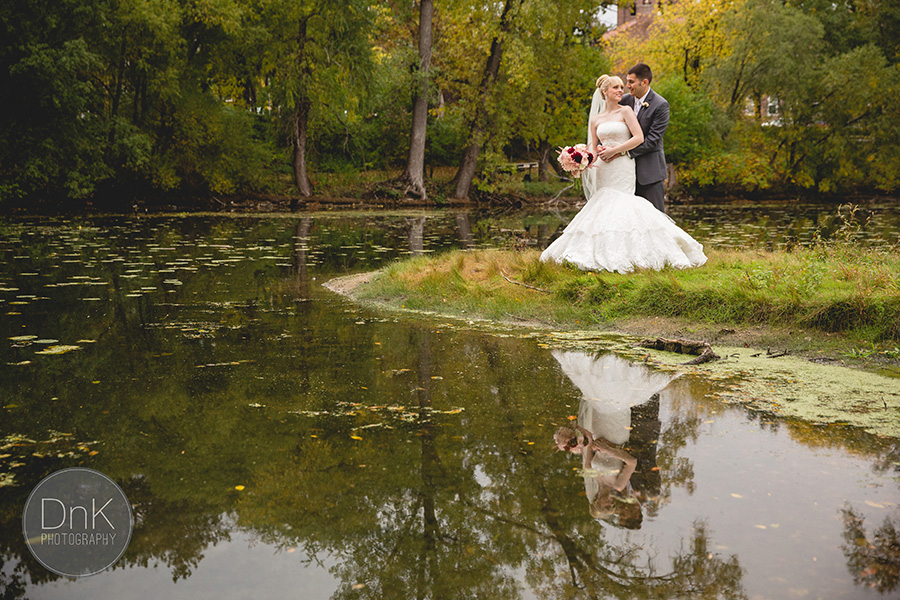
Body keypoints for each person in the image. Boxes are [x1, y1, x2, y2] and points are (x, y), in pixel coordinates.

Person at [540, 73, 707, 274]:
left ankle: (636, 252)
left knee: (623, 204)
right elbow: (594, 147)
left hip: (622, 164)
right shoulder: (596, 119)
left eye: (622, 87)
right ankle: (600, 251)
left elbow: (639, 137)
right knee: (603, 205)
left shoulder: (626, 111)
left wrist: (615, 150)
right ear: (605, 92)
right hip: (603, 167)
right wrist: (580, 159)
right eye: (616, 87)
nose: (621, 90)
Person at [619, 63, 669, 213]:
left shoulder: (661, 105)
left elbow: (652, 140)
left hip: (650, 173)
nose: (627, 86)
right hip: (624, 175)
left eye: (631, 82)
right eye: (627, 81)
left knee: (656, 219)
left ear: (644, 82)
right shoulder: (623, 101)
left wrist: (623, 152)